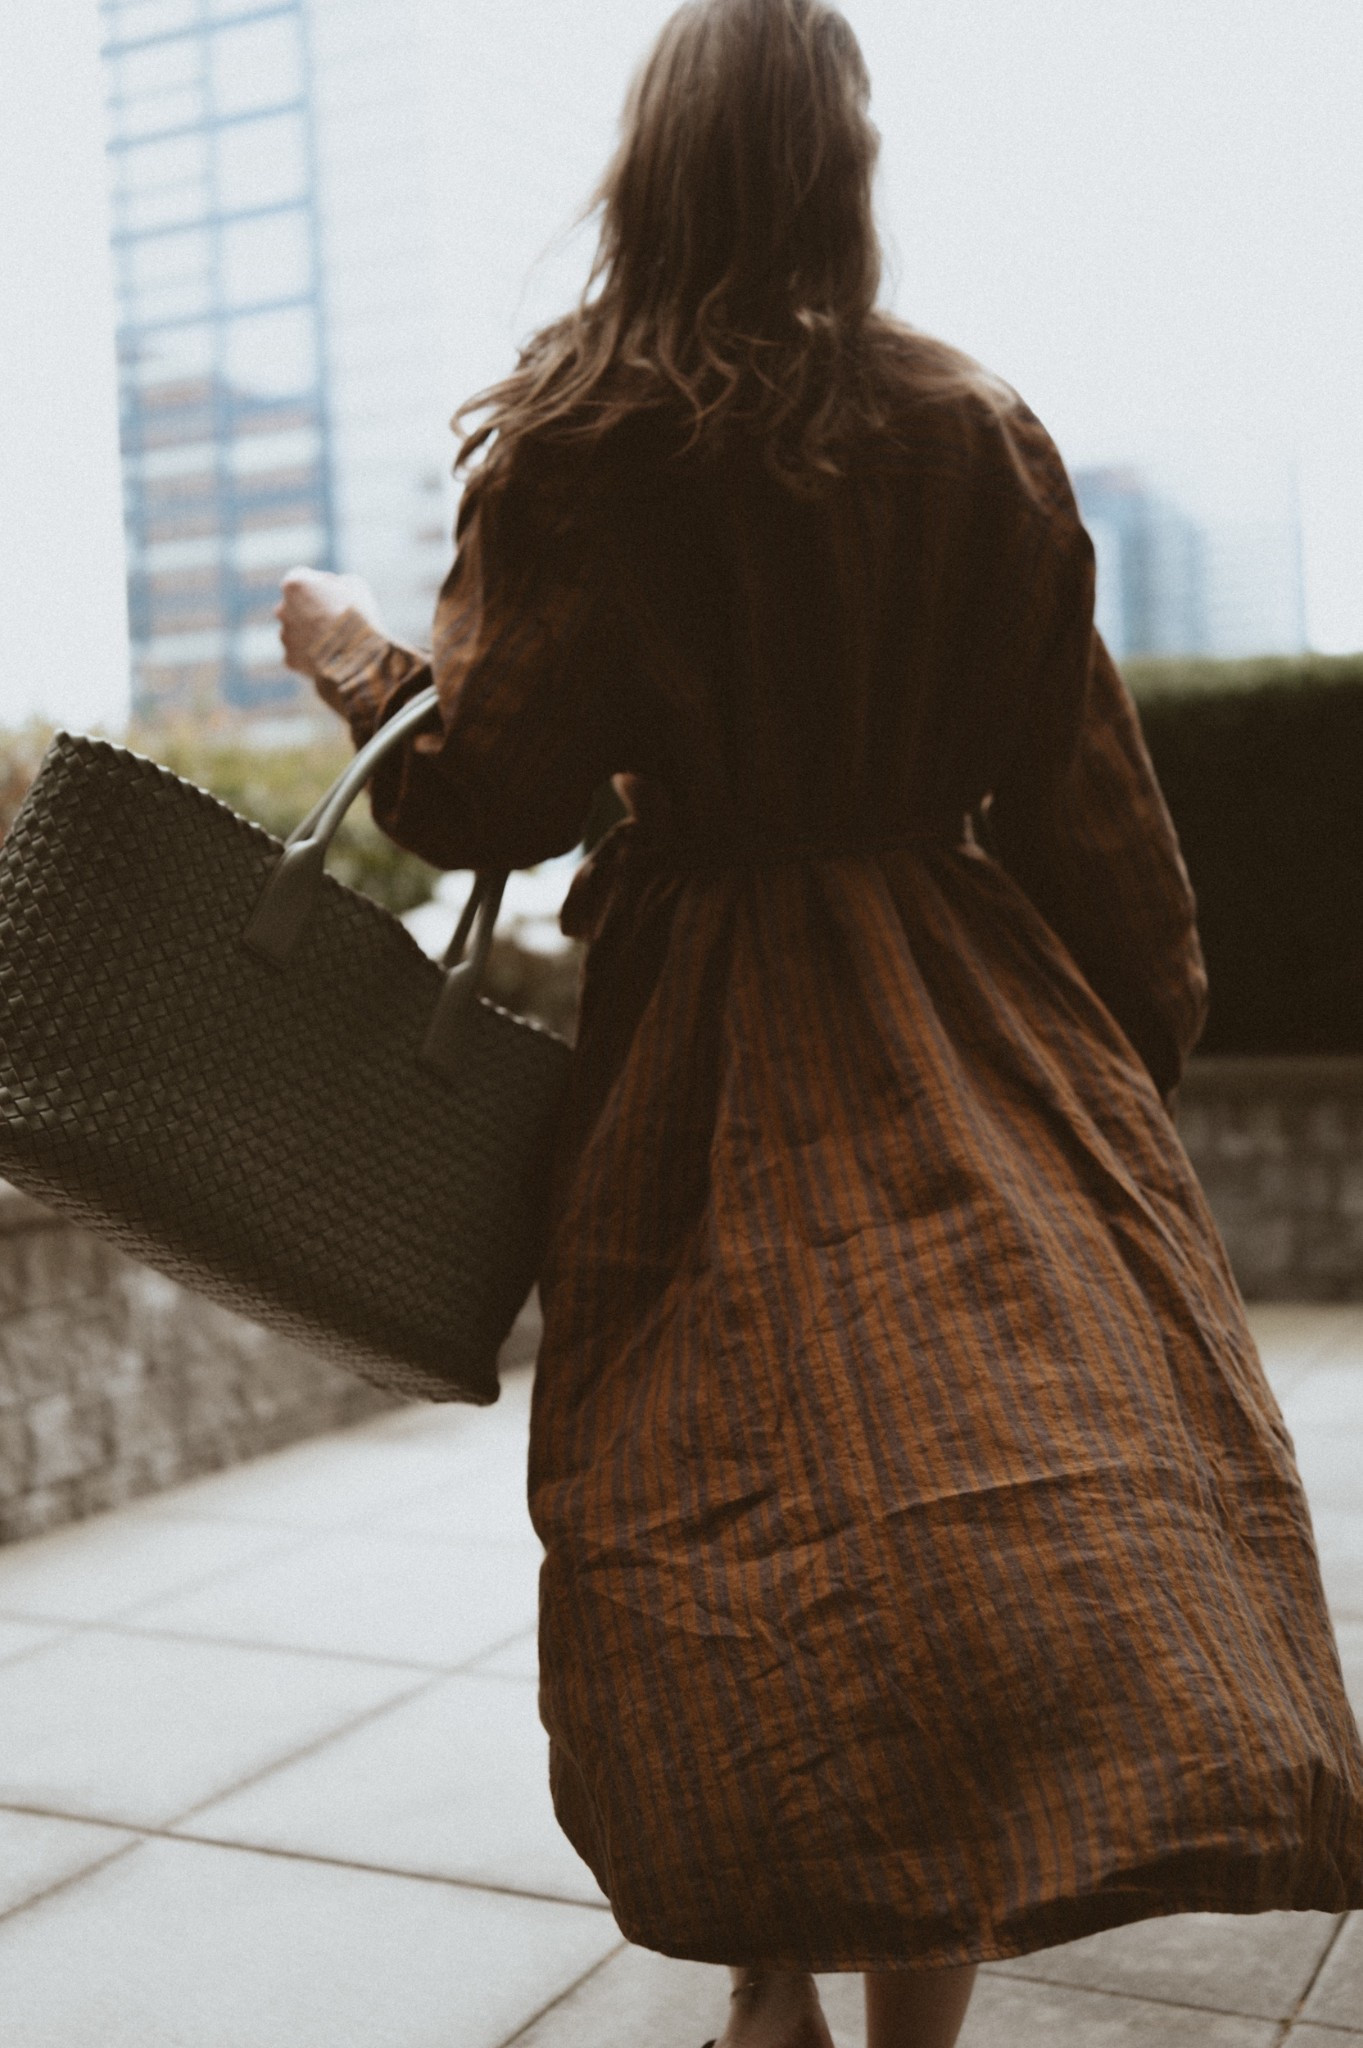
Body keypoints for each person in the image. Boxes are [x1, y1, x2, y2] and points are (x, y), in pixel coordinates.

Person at [276, 3, 1363, 2043]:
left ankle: (764, 1987)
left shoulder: (583, 446)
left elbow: (481, 795)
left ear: (651, 169)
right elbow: (1095, 819)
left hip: (696, 1054)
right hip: (965, 1020)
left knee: (721, 1518)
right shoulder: (973, 429)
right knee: (941, 1517)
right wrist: (1114, 1089)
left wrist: (354, 661)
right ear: (846, 170)